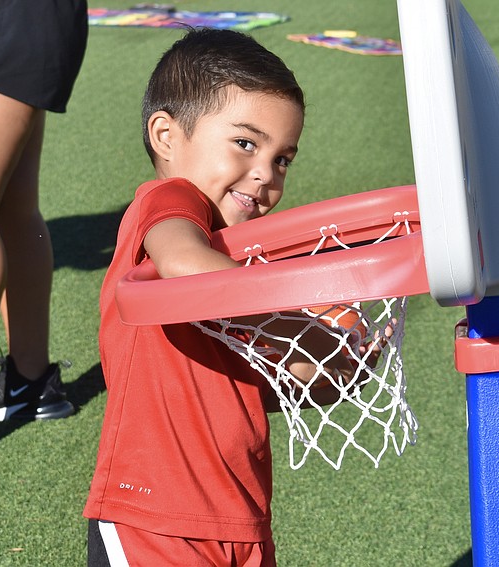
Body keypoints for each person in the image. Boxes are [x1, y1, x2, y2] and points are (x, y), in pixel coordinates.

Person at [84, 28, 353, 566]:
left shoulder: (234, 263)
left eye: (283, 159)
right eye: (246, 143)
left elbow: (246, 388)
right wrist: (294, 317)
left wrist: (328, 364)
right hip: (156, 518)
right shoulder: (171, 201)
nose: (265, 174)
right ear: (166, 136)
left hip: (240, 516)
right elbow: (183, 266)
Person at [0, 1, 88, 450]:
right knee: (11, 210)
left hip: (18, 17)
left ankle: (31, 380)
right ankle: (30, 381)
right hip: (22, 18)